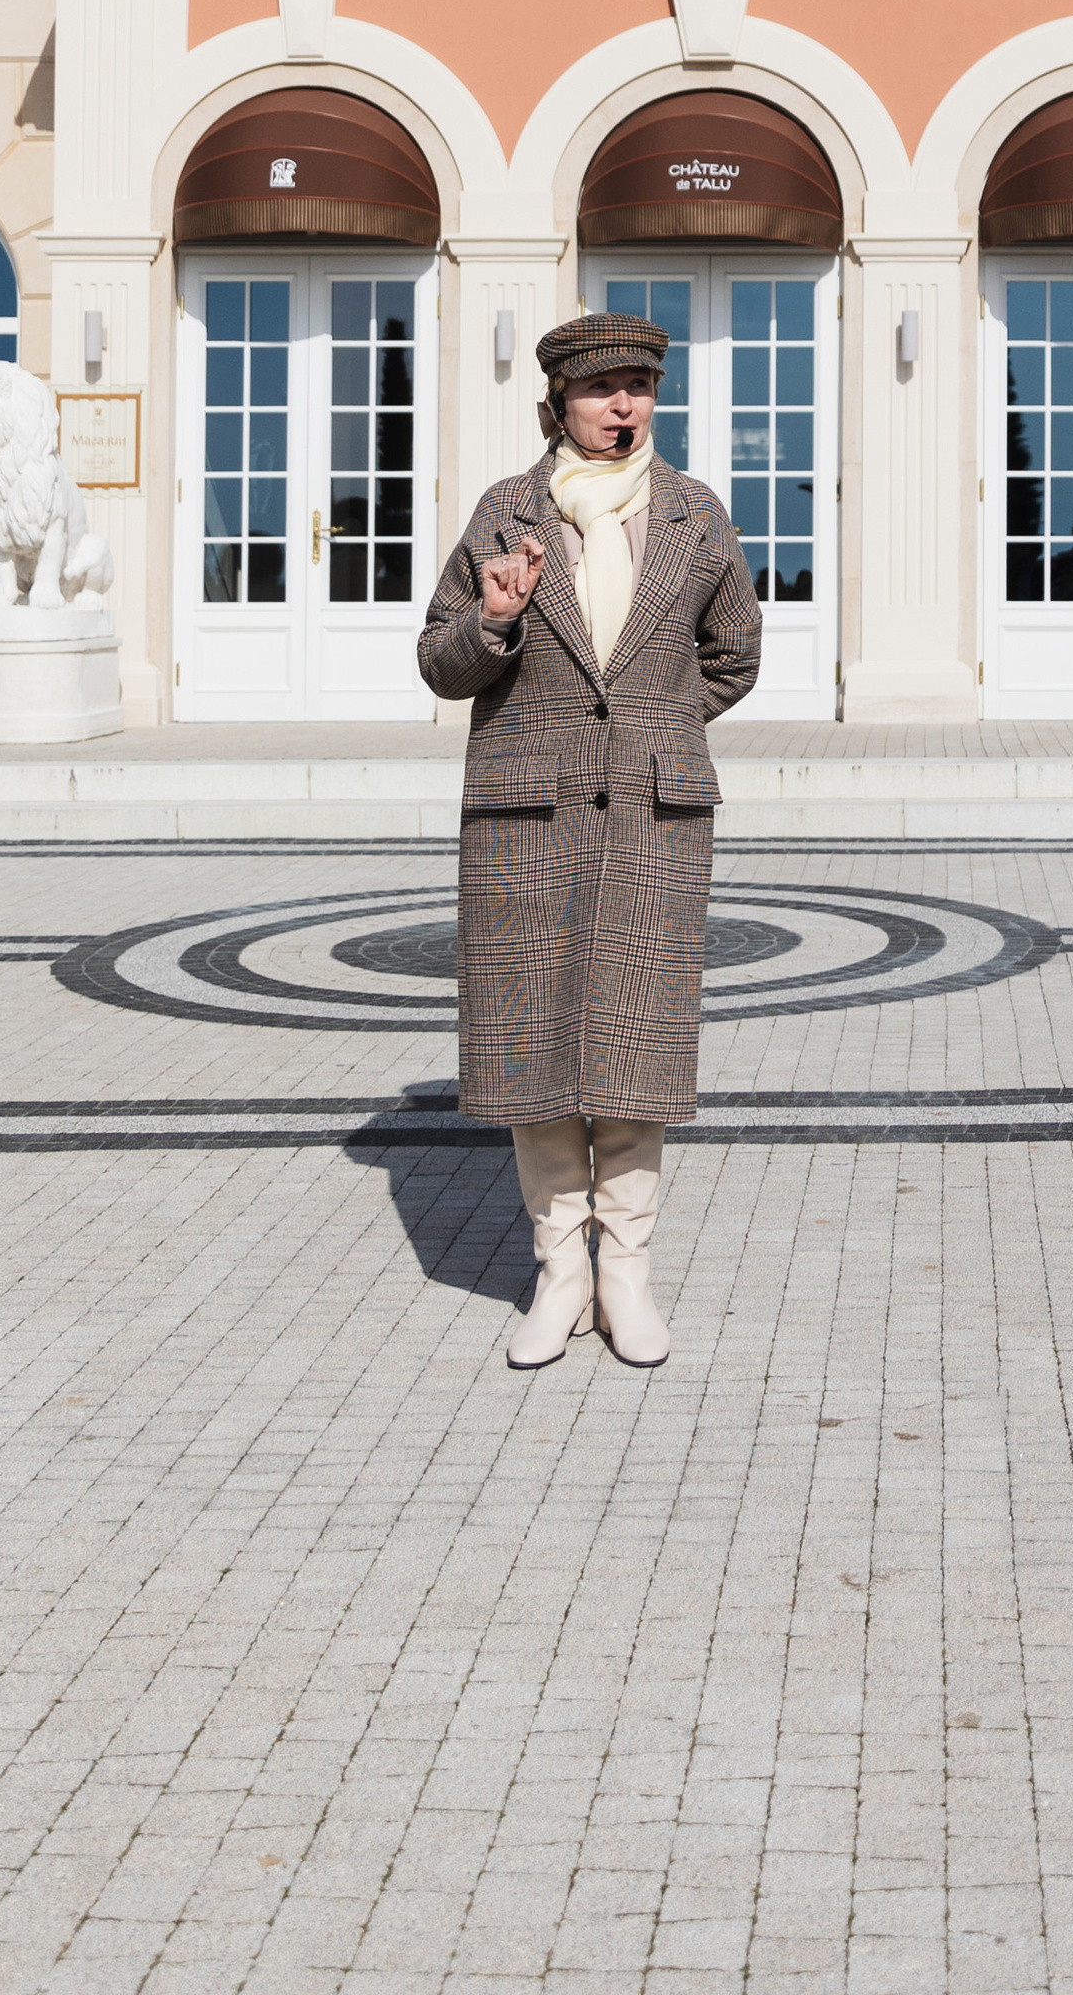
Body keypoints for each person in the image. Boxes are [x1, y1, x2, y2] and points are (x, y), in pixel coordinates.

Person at [416, 310, 763, 1369]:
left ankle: (628, 1273)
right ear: (556, 405)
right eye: (601, 388)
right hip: (526, 809)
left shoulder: (697, 515)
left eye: (638, 386)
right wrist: (497, 622)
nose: (623, 405)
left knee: (635, 1048)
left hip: (653, 811)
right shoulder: (504, 512)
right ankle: (558, 1267)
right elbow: (439, 661)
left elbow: (733, 656)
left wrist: (649, 728)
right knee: (533, 1046)